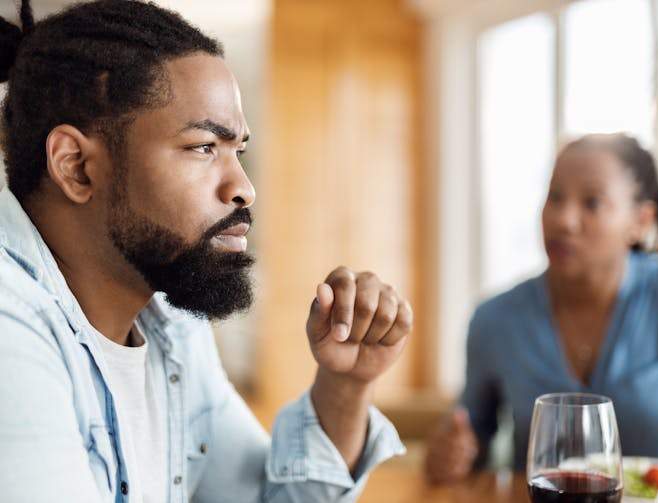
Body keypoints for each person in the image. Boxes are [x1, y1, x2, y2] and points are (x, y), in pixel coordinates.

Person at [0, 1, 413, 502]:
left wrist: (344, 385)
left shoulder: (168, 319)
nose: (244, 188)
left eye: (237, 150)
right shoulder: (11, 328)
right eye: (202, 147)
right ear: (77, 167)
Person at [424, 133, 658, 482]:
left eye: (592, 202)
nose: (563, 220)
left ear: (640, 221)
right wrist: (452, 455)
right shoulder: (495, 319)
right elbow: (469, 441)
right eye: (555, 196)